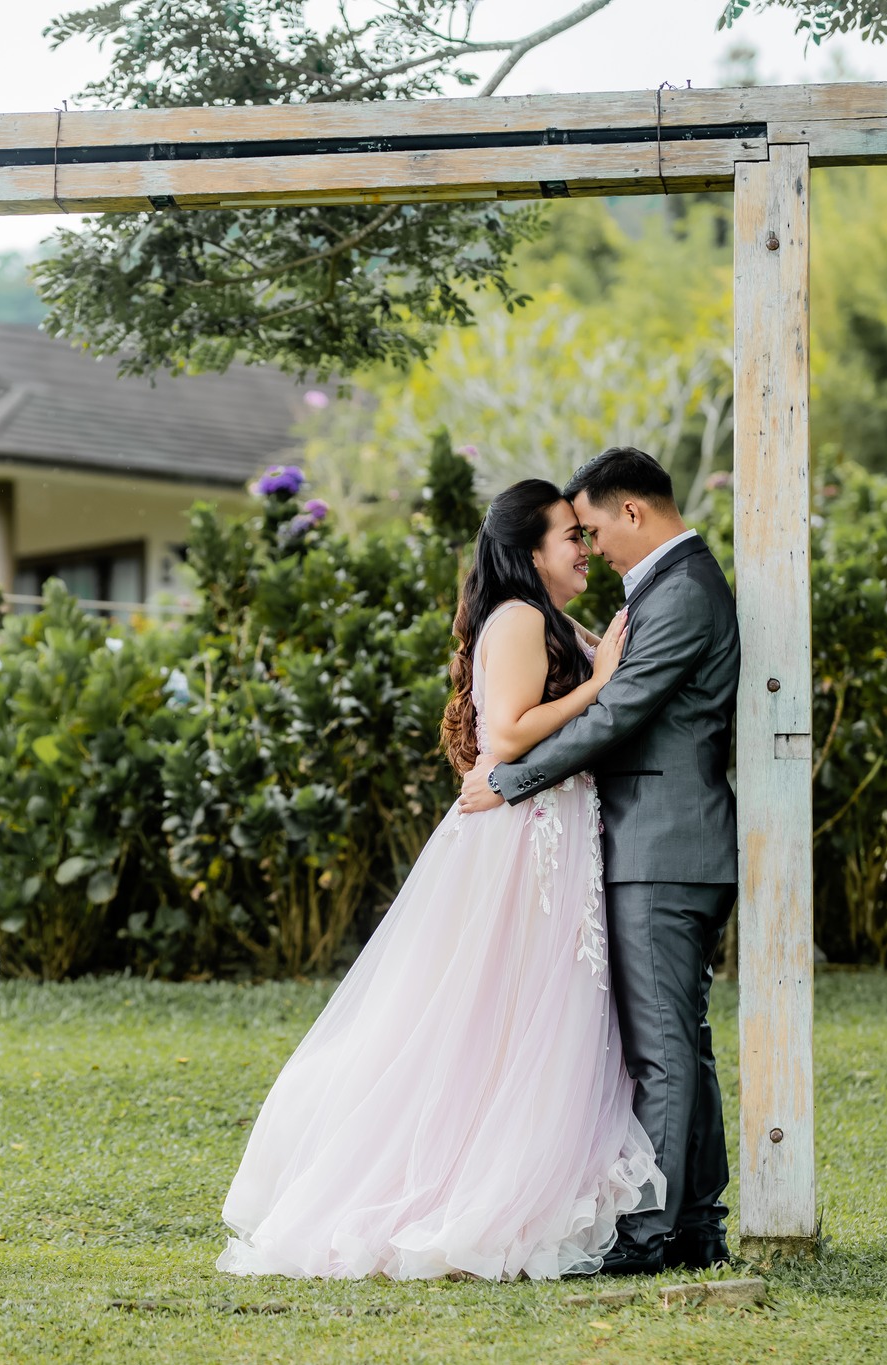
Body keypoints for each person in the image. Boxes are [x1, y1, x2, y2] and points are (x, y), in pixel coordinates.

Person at [217, 477, 664, 1282]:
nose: (583, 549)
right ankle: (454, 1184)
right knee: (497, 1008)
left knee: (529, 1012)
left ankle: (519, 1161)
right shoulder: (520, 617)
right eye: (570, 536)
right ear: (531, 551)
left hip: (555, 831)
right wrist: (599, 684)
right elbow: (509, 733)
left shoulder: (552, 617)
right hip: (522, 841)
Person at [459, 447, 740, 1276]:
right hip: (662, 843)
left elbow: (618, 712)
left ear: (633, 512)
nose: (592, 546)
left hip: (665, 846)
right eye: (572, 534)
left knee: (661, 1050)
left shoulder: (681, 590)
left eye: (592, 528)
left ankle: (648, 1235)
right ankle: (694, 1227)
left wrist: (509, 780)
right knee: (680, 1043)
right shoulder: (664, 586)